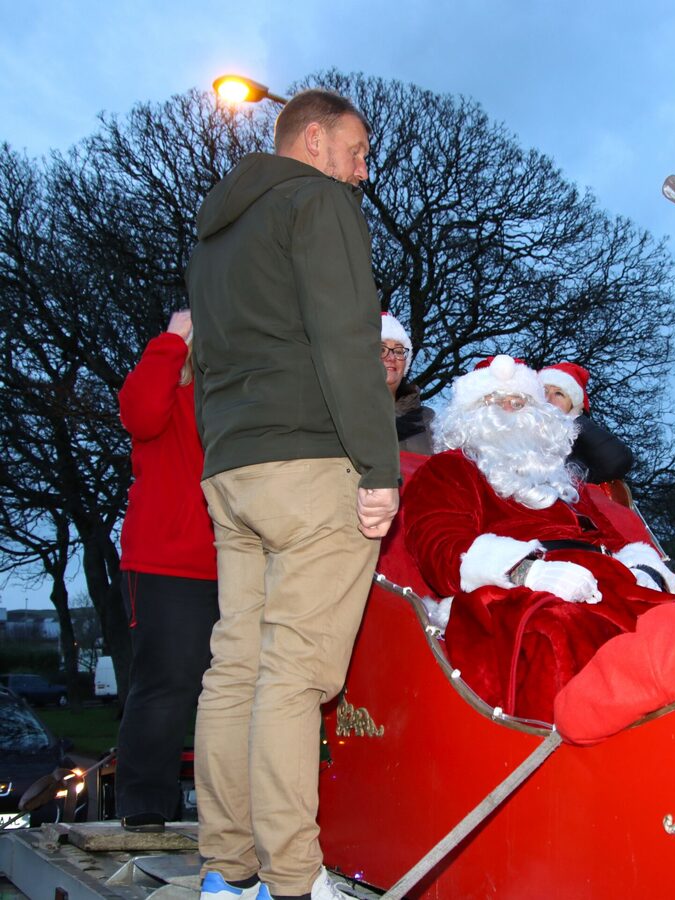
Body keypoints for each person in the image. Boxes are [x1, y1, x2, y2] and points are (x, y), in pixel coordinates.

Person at [187, 89, 399, 900]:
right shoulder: (319, 202)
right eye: (357, 149)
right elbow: (348, 337)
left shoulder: (215, 235)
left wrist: (222, 454)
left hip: (233, 467)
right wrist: (378, 469)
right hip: (310, 462)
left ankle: (226, 869)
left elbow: (205, 361)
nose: (362, 168)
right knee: (294, 674)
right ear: (313, 139)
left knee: (234, 666)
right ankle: (292, 879)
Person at [403, 355, 675, 724]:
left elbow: (610, 537)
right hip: (516, 593)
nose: (508, 409)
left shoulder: (561, 479)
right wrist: (524, 571)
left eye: (518, 402)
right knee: (562, 631)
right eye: (494, 401)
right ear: (469, 413)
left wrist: (642, 568)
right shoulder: (450, 469)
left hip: (609, 581)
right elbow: (440, 547)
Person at [115, 309, 218, 833]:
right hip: (167, 559)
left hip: (241, 558)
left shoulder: (241, 391)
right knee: (167, 682)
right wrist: (172, 340)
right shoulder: (167, 380)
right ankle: (144, 804)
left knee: (237, 689)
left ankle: (230, 806)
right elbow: (138, 415)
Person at [539, 361, 633, 483]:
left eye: (559, 393)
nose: (548, 399)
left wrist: (576, 421)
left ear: (574, 406)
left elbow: (616, 461)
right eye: (544, 391)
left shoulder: (582, 450)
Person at [380, 311, 434, 454]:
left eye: (398, 351)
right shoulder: (341, 412)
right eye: (381, 349)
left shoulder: (427, 419)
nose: (391, 357)